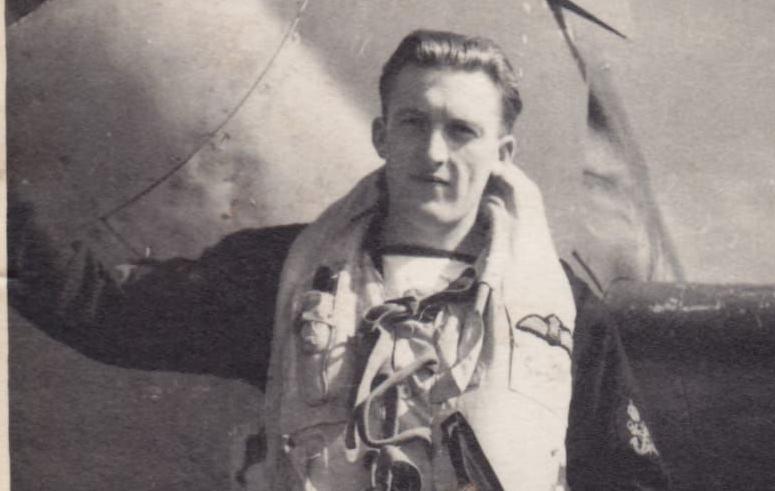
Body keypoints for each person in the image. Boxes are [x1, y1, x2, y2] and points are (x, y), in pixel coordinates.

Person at [10, 30, 668, 490]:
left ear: (503, 151)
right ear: (382, 134)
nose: (434, 152)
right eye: (413, 123)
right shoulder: (285, 271)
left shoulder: (565, 307)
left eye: (462, 130)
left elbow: (628, 474)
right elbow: (109, 312)